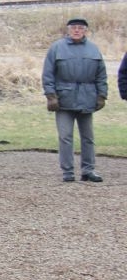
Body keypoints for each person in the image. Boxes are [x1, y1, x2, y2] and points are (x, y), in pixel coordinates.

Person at [42, 18, 108, 182]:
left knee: (88, 137)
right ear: (68, 30)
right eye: (73, 28)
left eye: (80, 28)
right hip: (63, 99)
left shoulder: (93, 49)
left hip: (87, 98)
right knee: (65, 136)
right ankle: (68, 172)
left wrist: (102, 95)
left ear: (85, 30)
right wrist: (51, 96)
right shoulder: (56, 48)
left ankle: (88, 170)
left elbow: (101, 75)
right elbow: (48, 73)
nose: (77, 31)